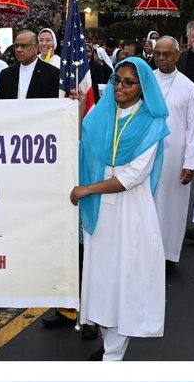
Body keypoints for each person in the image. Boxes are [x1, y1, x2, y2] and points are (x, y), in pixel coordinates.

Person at [70, 55, 168, 361]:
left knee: (125, 280)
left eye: (129, 82)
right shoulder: (102, 114)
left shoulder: (153, 122)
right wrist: (73, 114)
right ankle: (107, 343)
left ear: (143, 86)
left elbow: (133, 176)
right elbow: (81, 147)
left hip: (131, 212)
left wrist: (87, 189)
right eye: (117, 80)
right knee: (101, 278)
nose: (120, 87)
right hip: (101, 212)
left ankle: (113, 355)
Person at [147, 37, 194, 262]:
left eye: (167, 54)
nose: (161, 58)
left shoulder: (188, 87)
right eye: (157, 53)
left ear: (177, 55)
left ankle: (168, 254)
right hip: (146, 151)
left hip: (175, 154)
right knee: (146, 202)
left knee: (172, 205)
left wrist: (191, 163)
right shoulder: (146, 80)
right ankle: (146, 253)